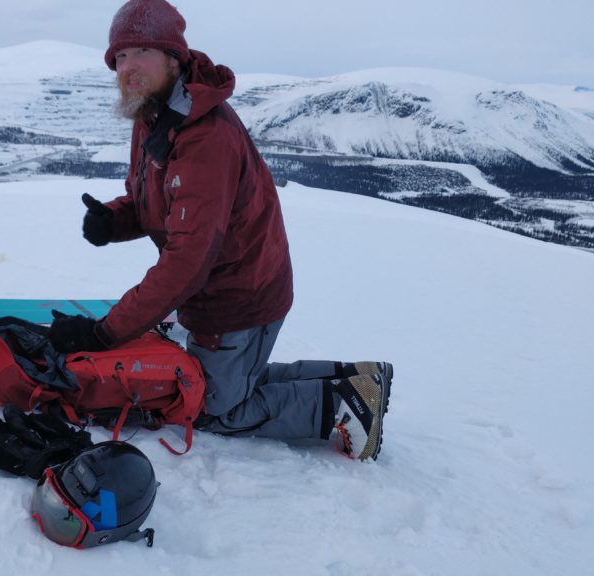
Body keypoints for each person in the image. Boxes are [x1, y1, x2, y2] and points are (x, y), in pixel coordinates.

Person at [47, 0, 393, 460]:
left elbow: (187, 262)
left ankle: (346, 405)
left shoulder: (205, 136)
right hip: (220, 288)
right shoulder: (154, 115)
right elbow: (159, 199)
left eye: (141, 52)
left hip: (238, 296)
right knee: (225, 379)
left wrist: (104, 334)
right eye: (120, 57)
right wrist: (114, 219)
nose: (127, 68)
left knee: (213, 408)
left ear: (174, 57)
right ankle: (356, 376)